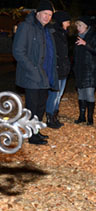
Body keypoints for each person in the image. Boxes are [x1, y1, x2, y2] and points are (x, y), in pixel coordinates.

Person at [12, 0, 58, 145]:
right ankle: (32, 136)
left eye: (50, 15)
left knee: (40, 106)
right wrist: (32, 69)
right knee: (32, 107)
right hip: (32, 75)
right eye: (45, 13)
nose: (47, 17)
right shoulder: (26, 27)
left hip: (45, 75)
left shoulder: (46, 30)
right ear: (37, 13)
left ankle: (36, 131)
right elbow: (18, 51)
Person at [73, 16, 96, 125]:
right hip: (80, 70)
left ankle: (90, 118)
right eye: (77, 26)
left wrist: (86, 44)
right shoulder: (77, 38)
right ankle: (81, 116)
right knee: (81, 94)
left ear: (86, 26)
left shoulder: (93, 36)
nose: (78, 28)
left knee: (89, 94)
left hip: (90, 70)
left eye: (80, 26)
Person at [45, 11, 71, 129]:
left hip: (63, 68)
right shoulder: (53, 32)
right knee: (54, 94)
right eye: (67, 21)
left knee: (59, 95)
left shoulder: (62, 33)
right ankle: (50, 118)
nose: (69, 24)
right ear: (61, 21)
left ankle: (55, 116)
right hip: (56, 69)